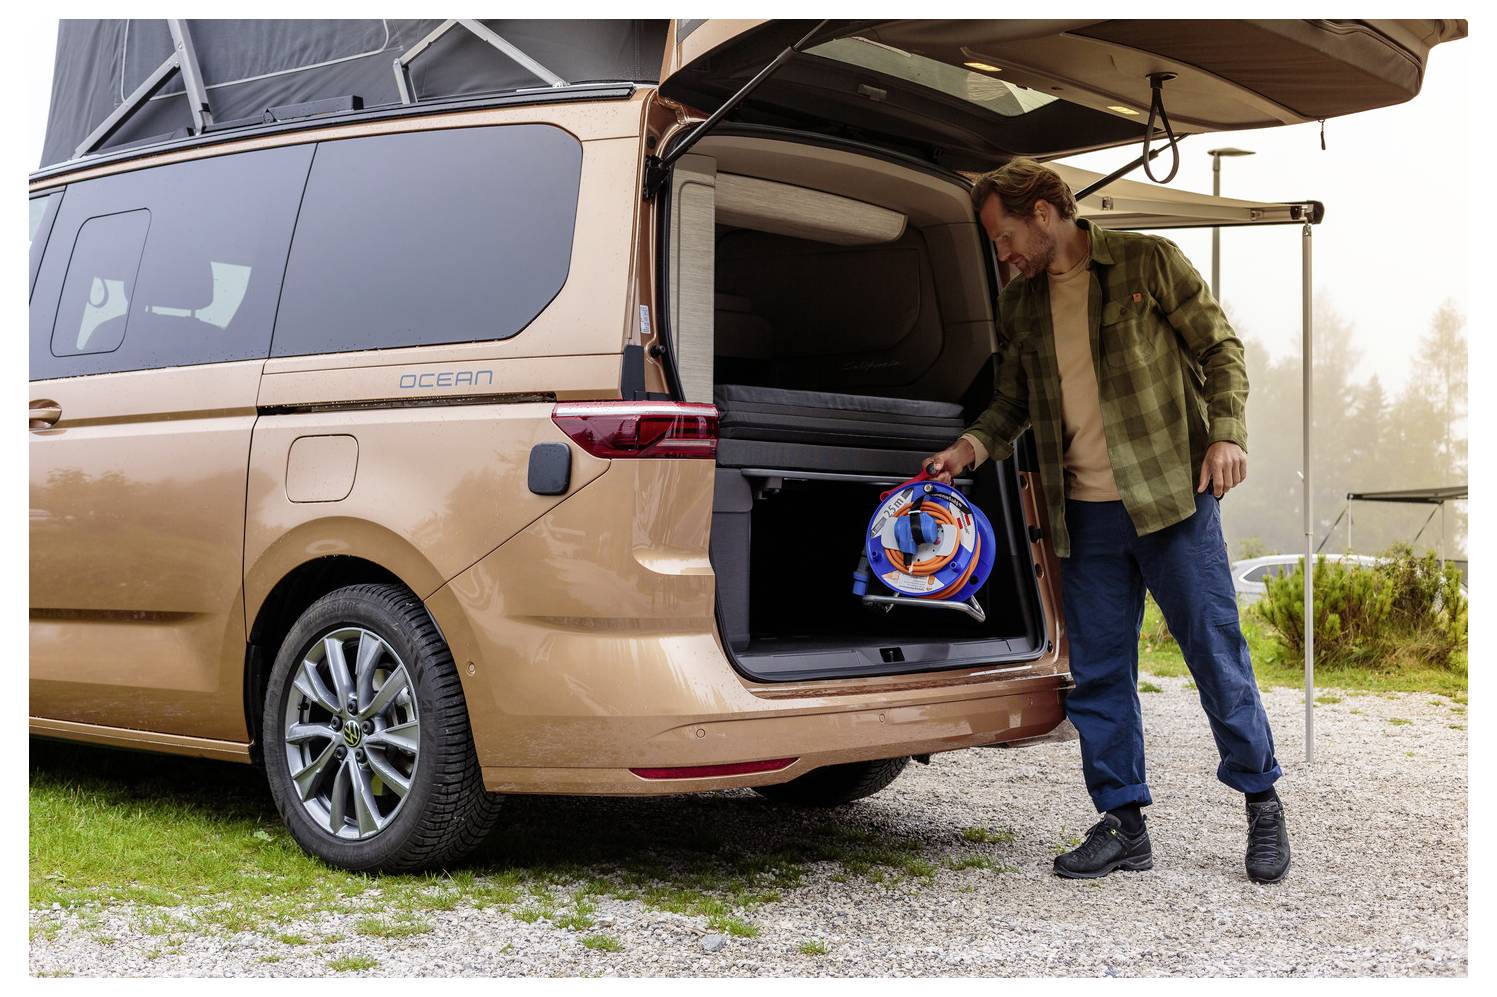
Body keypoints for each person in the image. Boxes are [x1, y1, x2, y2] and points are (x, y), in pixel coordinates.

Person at [925, 159, 1289, 884]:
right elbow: (1012, 405)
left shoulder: (1146, 260)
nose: (1002, 255)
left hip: (1172, 503)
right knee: (1096, 673)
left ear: (1043, 211)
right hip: (1082, 517)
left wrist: (1226, 432)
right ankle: (1123, 823)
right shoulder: (1021, 305)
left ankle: (1261, 801)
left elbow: (1220, 349)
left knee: (1214, 658)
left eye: (1003, 238)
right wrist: (969, 446)